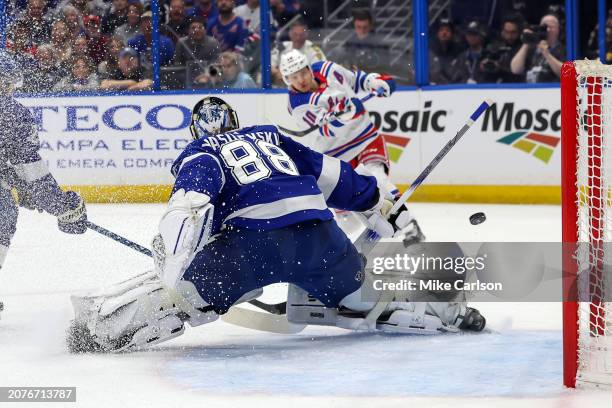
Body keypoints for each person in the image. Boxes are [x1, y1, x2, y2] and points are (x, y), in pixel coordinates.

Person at [67, 96, 486, 352]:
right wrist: (380, 201)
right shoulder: (269, 136)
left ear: (197, 131)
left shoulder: (200, 152)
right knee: (362, 297)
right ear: (235, 120)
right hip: (320, 238)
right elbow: (336, 177)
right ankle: (447, 311)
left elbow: (190, 209)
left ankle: (100, 331)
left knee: (185, 298)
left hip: (250, 249)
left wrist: (175, 266)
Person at [0, 50, 87, 319]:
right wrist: (64, 207)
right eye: (7, 80)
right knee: (3, 214)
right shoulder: (10, 112)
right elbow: (32, 172)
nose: (11, 87)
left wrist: (16, 184)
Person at [510, 13, 565, 83]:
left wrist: (546, 54)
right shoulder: (531, 49)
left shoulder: (563, 50)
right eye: (544, 27)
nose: (547, 30)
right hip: (531, 90)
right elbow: (515, 69)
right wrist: (527, 42)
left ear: (558, 30)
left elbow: (565, 74)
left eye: (551, 27)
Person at [271, 18, 325, 86]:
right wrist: (278, 73)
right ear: (290, 34)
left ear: (306, 34)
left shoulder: (313, 50)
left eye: (301, 35)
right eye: (295, 34)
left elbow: (321, 72)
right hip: (280, 89)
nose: (298, 38)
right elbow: (268, 66)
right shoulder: (281, 47)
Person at [480, 15, 525, 83]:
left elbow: (521, 70)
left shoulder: (524, 47)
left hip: (516, 86)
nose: (509, 36)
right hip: (493, 85)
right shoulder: (495, 45)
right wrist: (484, 65)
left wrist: (500, 67)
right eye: (507, 32)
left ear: (519, 32)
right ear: (502, 31)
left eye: (513, 32)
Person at [429, 18, 463, 85]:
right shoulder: (429, 51)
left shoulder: (459, 51)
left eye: (448, 30)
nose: (444, 33)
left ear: (452, 34)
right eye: (441, 30)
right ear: (437, 33)